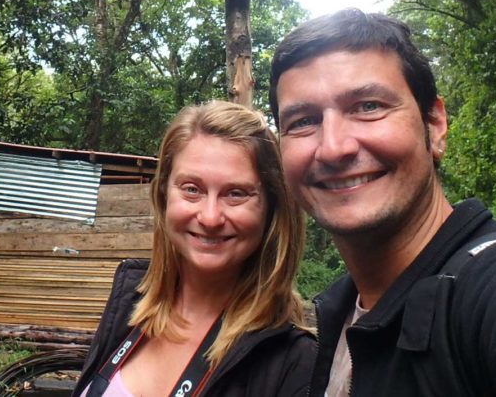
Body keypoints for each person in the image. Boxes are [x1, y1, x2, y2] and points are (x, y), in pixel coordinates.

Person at [269, 8, 496, 396]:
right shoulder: (337, 317)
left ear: (435, 125)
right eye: (303, 121)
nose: (334, 147)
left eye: (368, 107)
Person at [73, 100, 315, 397]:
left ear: (271, 209)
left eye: (236, 193)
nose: (210, 217)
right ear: (164, 194)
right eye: (192, 189)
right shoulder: (131, 303)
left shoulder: (293, 363)